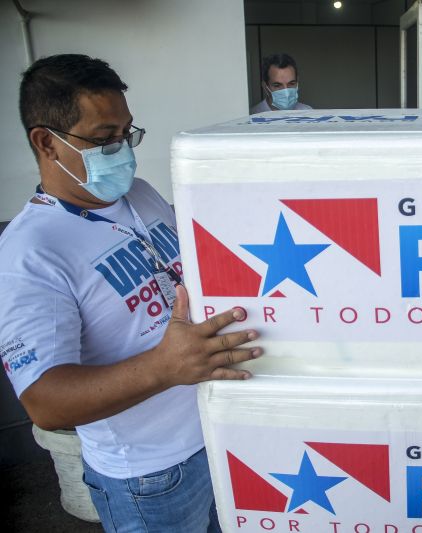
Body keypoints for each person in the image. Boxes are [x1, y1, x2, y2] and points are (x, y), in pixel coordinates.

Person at [0, 54, 262, 532]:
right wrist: (165, 367)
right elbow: (43, 401)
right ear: (46, 142)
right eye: (104, 139)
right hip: (151, 476)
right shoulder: (29, 252)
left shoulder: (139, 194)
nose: (122, 150)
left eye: (127, 133)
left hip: (218, 433)